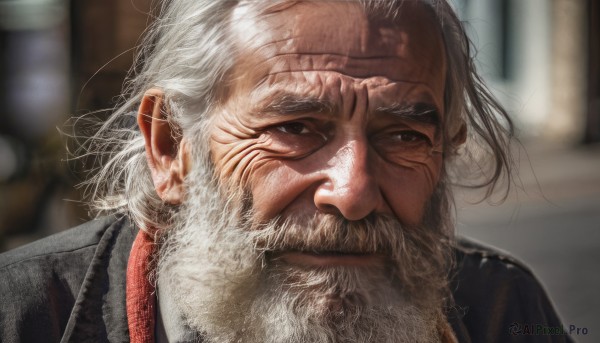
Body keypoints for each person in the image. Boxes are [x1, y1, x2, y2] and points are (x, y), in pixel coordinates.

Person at [0, 1, 573, 342]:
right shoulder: (25, 317)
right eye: (294, 128)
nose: (352, 193)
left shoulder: (498, 309)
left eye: (403, 136)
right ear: (171, 146)